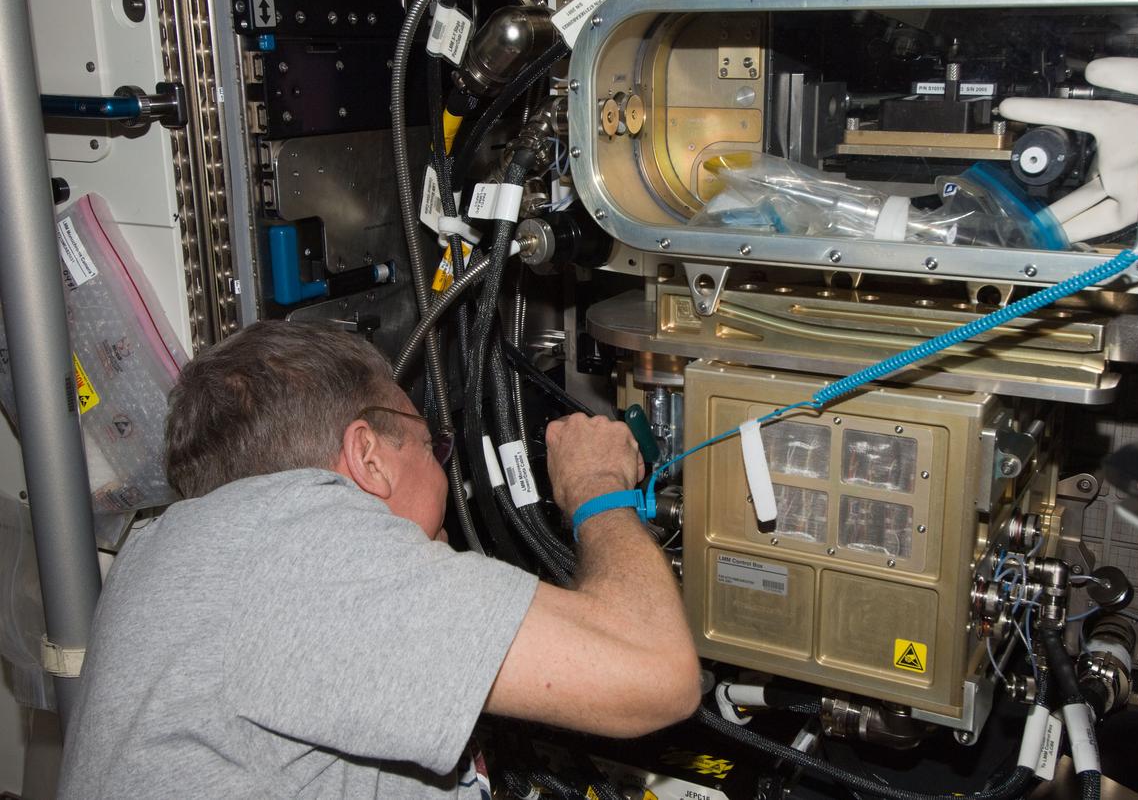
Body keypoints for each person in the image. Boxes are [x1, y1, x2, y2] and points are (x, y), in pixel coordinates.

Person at [58, 320, 701, 798]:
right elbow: (656, 676)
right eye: (431, 446)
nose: (445, 478)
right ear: (368, 457)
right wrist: (596, 490)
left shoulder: (168, 553)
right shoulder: (302, 548)